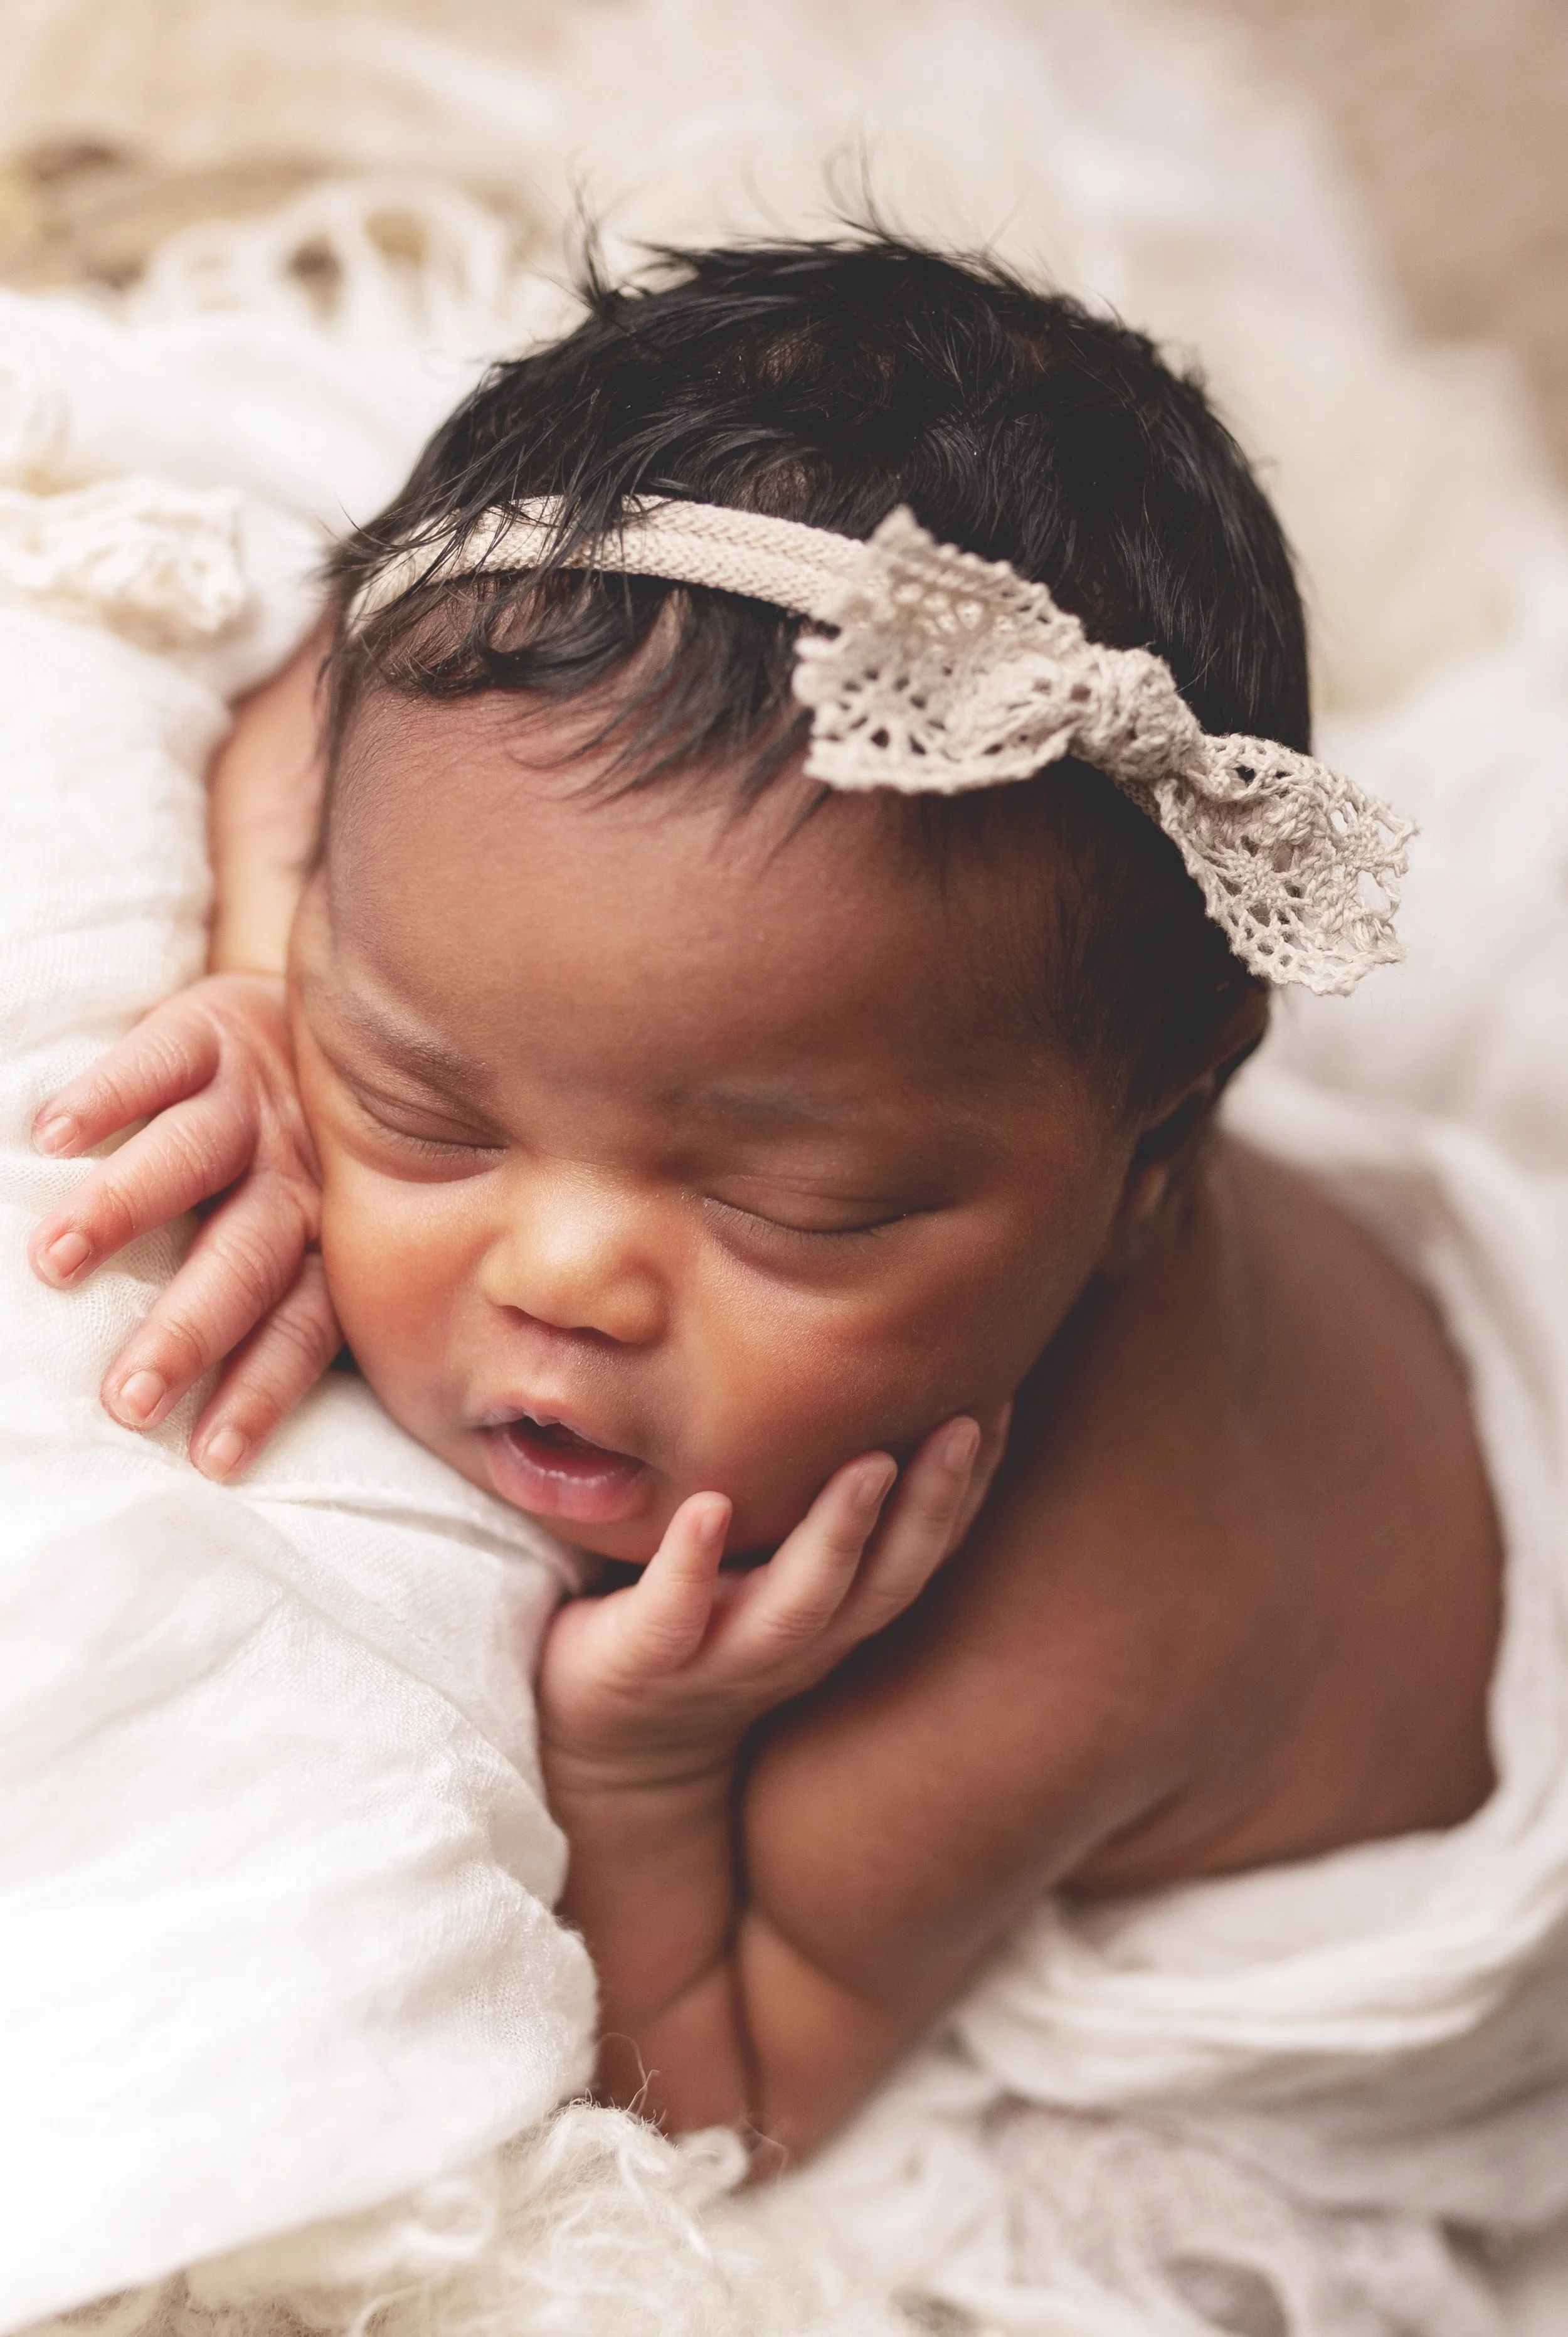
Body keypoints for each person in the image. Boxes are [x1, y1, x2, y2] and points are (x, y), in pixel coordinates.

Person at [23, 237, 1502, 2165]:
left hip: (1415, 1734)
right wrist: (266, 1004)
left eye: (791, 1210)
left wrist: (648, 1769)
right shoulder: (508, 810)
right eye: (428, 1095)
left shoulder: (1059, 1641)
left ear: (1153, 1149)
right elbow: (318, 727)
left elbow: (731, 2101)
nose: (557, 1272)